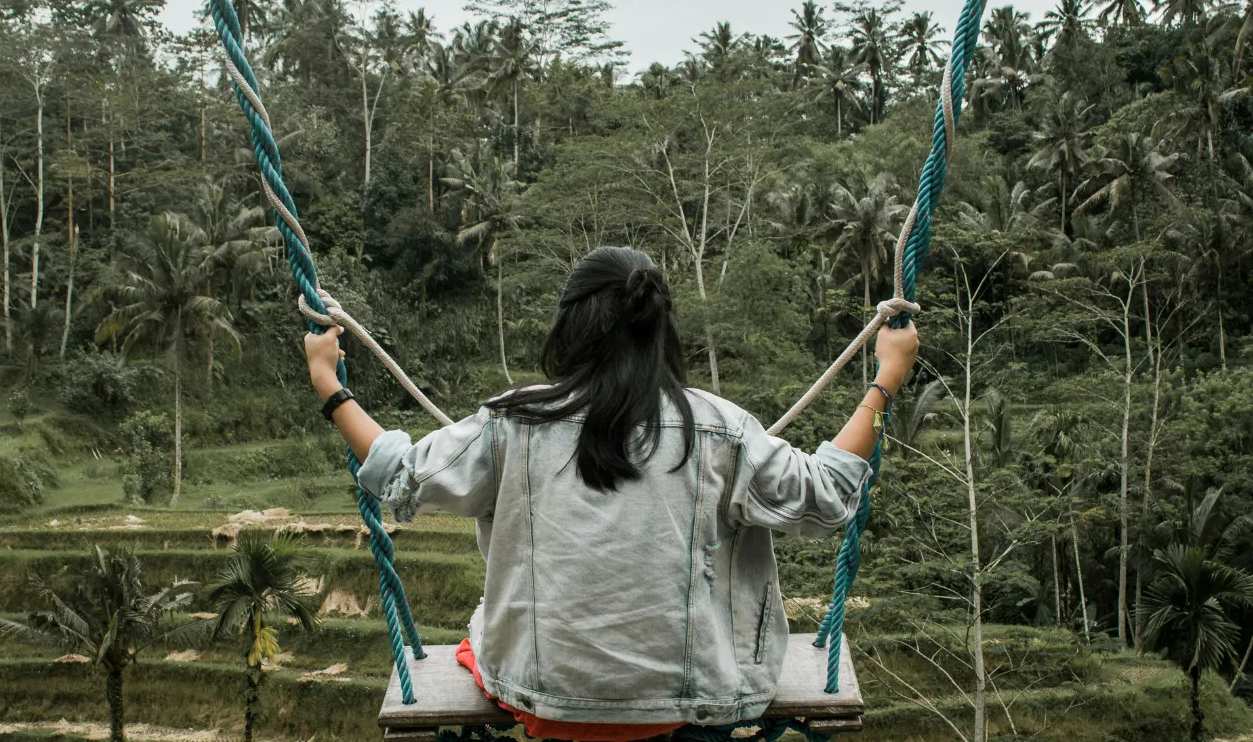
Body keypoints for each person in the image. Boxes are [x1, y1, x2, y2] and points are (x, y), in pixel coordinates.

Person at [305, 246, 920, 742]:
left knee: (483, 633)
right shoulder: (722, 430)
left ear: (571, 326)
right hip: (686, 703)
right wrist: (885, 380)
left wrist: (329, 383)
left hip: (543, 700)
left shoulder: (512, 423)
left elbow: (399, 474)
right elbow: (827, 494)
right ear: (659, 329)